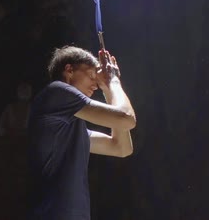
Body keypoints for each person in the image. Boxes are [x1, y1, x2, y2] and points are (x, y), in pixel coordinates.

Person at [27, 45, 137, 219]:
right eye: (92, 75)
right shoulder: (57, 91)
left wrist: (108, 89)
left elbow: (121, 148)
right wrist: (114, 81)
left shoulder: (71, 131)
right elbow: (127, 118)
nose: (95, 85)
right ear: (69, 70)